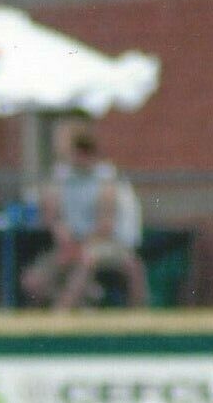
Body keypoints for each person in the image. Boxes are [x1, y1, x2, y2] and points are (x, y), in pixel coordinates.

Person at [21, 129, 148, 310]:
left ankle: (61, 315)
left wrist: (78, 246)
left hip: (109, 245)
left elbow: (106, 226)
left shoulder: (107, 179)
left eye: (84, 152)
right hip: (71, 244)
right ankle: (87, 302)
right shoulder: (62, 176)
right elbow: (52, 214)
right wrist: (63, 236)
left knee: (87, 259)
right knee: (33, 282)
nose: (79, 157)